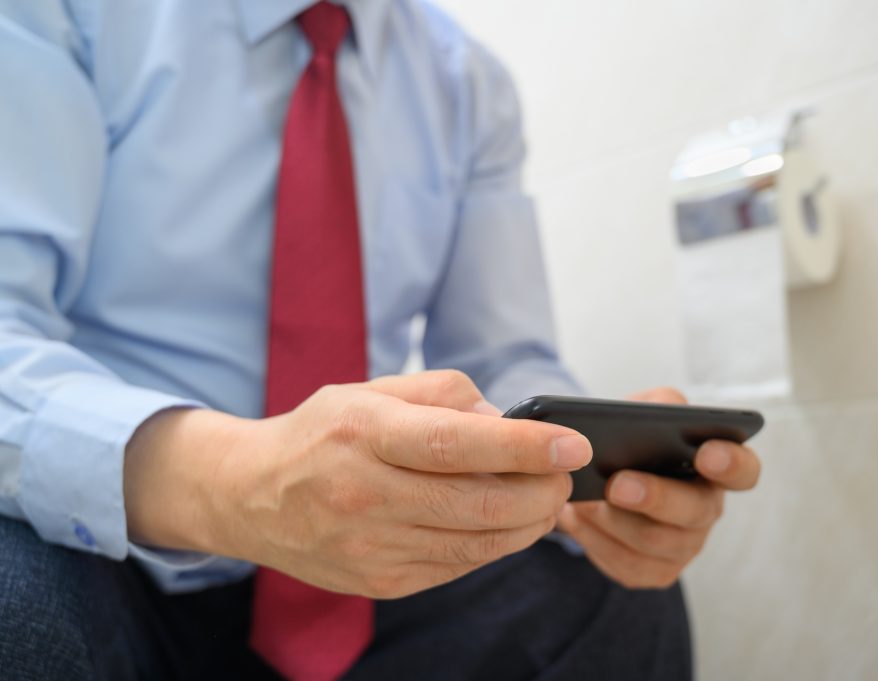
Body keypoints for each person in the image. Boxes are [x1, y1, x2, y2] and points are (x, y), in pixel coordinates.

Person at [0, 1, 761, 679]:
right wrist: (237, 483)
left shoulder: (468, 82)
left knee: (609, 594)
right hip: (112, 556)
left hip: (357, 576)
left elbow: (503, 360)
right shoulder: (68, 13)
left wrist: (575, 477)